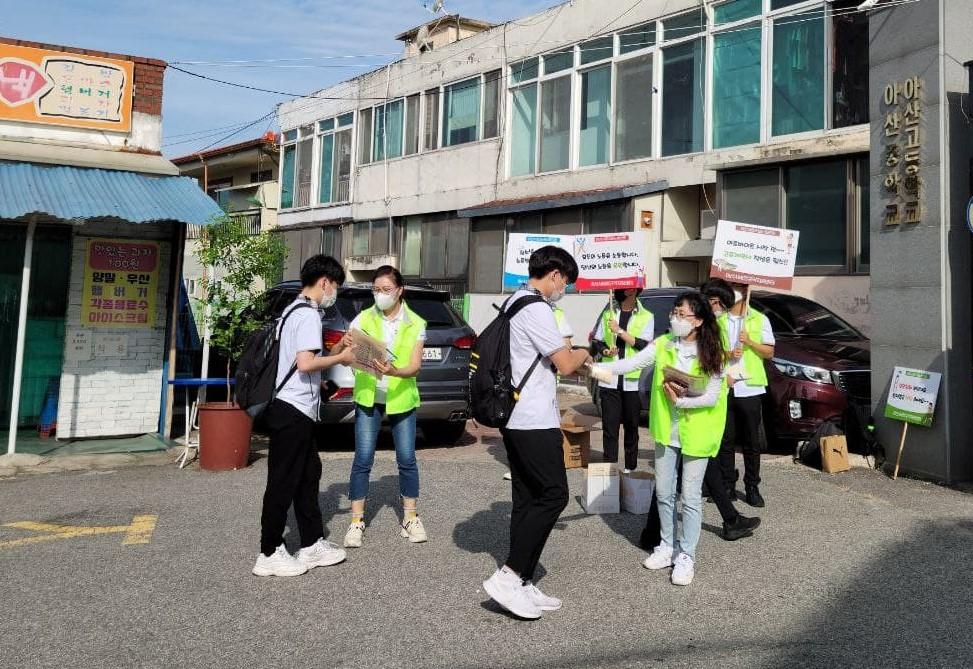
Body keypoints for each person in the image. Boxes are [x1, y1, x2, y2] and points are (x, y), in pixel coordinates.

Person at [482, 246, 592, 619]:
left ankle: (524, 580)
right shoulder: (536, 308)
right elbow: (565, 362)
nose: (565, 289)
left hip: (516, 416)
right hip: (532, 418)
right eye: (566, 282)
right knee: (554, 495)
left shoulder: (514, 301)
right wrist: (584, 352)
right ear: (555, 274)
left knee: (528, 498)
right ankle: (509, 576)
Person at [591, 291, 727, 586]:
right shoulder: (664, 343)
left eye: (683, 314)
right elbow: (631, 363)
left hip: (698, 433)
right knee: (664, 492)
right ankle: (667, 546)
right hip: (667, 431)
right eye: (674, 313)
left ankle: (687, 555)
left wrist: (682, 402)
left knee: (690, 497)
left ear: (699, 320)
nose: (676, 318)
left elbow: (713, 396)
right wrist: (596, 369)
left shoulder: (713, 350)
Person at [253, 255, 353, 578]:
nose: (334, 293)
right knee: (283, 481)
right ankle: (269, 551)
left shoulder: (292, 309)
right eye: (334, 286)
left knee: (308, 475)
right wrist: (344, 357)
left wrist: (335, 355)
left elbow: (299, 364)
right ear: (324, 282)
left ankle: (311, 542)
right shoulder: (308, 315)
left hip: (295, 408)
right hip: (292, 410)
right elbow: (306, 363)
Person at [333, 265, 427, 548]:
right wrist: (342, 343)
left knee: (407, 459)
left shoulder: (416, 322)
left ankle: (410, 517)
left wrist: (394, 371)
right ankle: (356, 521)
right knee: (363, 458)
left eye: (386, 289)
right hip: (368, 396)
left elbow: (415, 366)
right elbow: (338, 354)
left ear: (400, 291)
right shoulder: (363, 317)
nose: (380, 294)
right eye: (376, 289)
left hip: (401, 397)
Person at [700, 279, 762, 541]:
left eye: (719, 302)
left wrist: (746, 345)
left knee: (745, 443)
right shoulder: (706, 324)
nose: (717, 307)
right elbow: (703, 357)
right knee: (715, 450)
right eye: (713, 302)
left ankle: (738, 505)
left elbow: (708, 358)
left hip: (735, 391)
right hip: (702, 401)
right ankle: (727, 502)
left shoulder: (755, 319)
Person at [715, 280, 775, 508]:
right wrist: (728, 354)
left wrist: (749, 342)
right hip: (725, 385)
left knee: (751, 440)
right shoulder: (718, 320)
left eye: (738, 287)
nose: (734, 292)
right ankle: (727, 484)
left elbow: (769, 352)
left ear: (746, 291)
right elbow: (710, 351)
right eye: (731, 287)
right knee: (726, 439)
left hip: (750, 386)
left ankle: (752, 486)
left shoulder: (759, 319)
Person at [592, 288, 653, 473]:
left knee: (631, 428)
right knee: (609, 428)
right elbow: (597, 342)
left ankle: (630, 470)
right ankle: (609, 470)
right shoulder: (608, 313)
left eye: (622, 288)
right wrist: (605, 351)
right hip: (608, 378)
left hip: (632, 382)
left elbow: (644, 346)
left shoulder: (646, 316)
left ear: (632, 290)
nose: (617, 291)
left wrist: (619, 331)